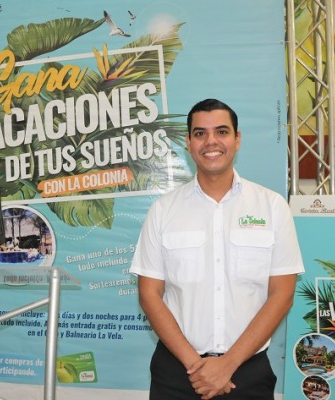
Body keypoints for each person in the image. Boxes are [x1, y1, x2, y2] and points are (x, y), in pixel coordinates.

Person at [129, 98, 304, 400]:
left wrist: (228, 365)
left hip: (248, 373)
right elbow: (149, 294)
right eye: (200, 133)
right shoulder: (163, 210)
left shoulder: (273, 206)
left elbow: (282, 294)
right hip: (177, 372)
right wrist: (197, 366)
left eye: (222, 132)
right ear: (188, 142)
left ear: (237, 139)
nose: (211, 141)